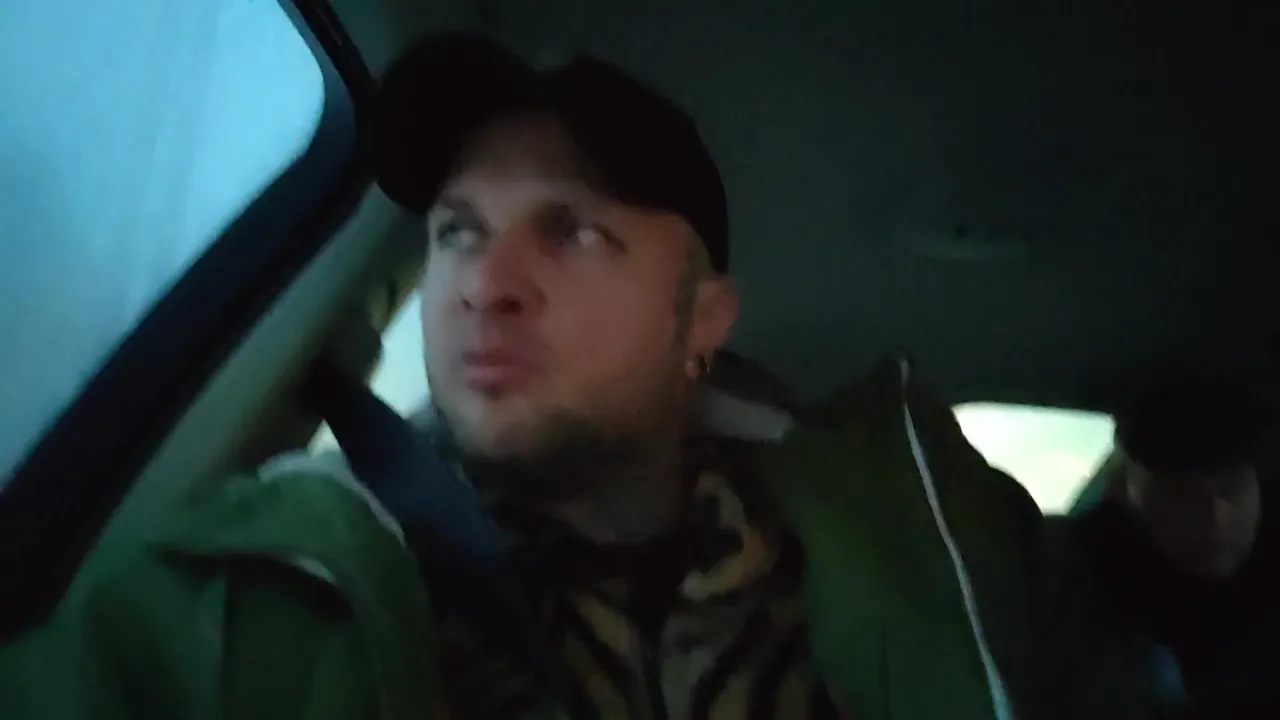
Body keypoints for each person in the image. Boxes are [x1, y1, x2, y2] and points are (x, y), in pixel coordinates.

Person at [4, 33, 1146, 720]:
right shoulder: (276, 584)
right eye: (457, 232)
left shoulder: (943, 541)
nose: (485, 284)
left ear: (703, 318)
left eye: (575, 232)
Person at [1074, 380, 1280, 717]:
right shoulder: (1081, 583)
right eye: (1182, 497)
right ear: (1124, 494)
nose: (1216, 519)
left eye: (1235, 489)